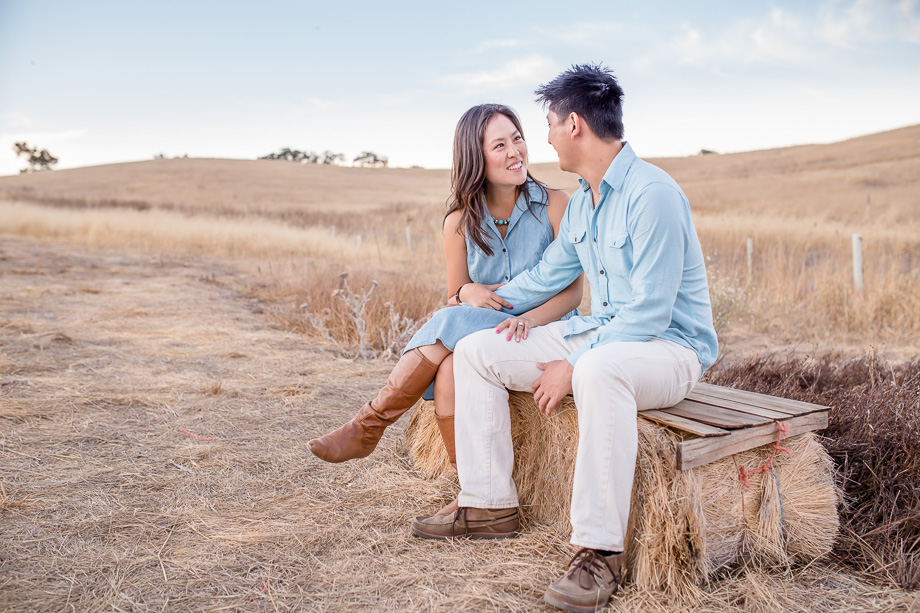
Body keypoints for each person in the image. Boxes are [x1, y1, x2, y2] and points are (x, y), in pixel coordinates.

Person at [409, 64, 718, 612]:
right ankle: (487, 504)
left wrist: (575, 363)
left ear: (573, 124)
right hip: (605, 337)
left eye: (547, 125)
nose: (543, 138)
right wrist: (476, 296)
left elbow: (648, 313)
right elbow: (545, 277)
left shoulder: (653, 195)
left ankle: (599, 552)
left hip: (668, 350)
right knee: (479, 352)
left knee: (599, 370)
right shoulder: (584, 201)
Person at [308, 104, 582, 478]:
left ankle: (369, 424)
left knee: (446, 328)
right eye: (499, 145)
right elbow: (455, 298)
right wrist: (467, 291)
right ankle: (468, 483)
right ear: (476, 157)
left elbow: (572, 293)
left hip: (546, 331)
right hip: (488, 330)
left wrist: (528, 320)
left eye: (517, 139)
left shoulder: (556, 205)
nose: (515, 152)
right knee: (450, 365)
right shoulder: (459, 222)